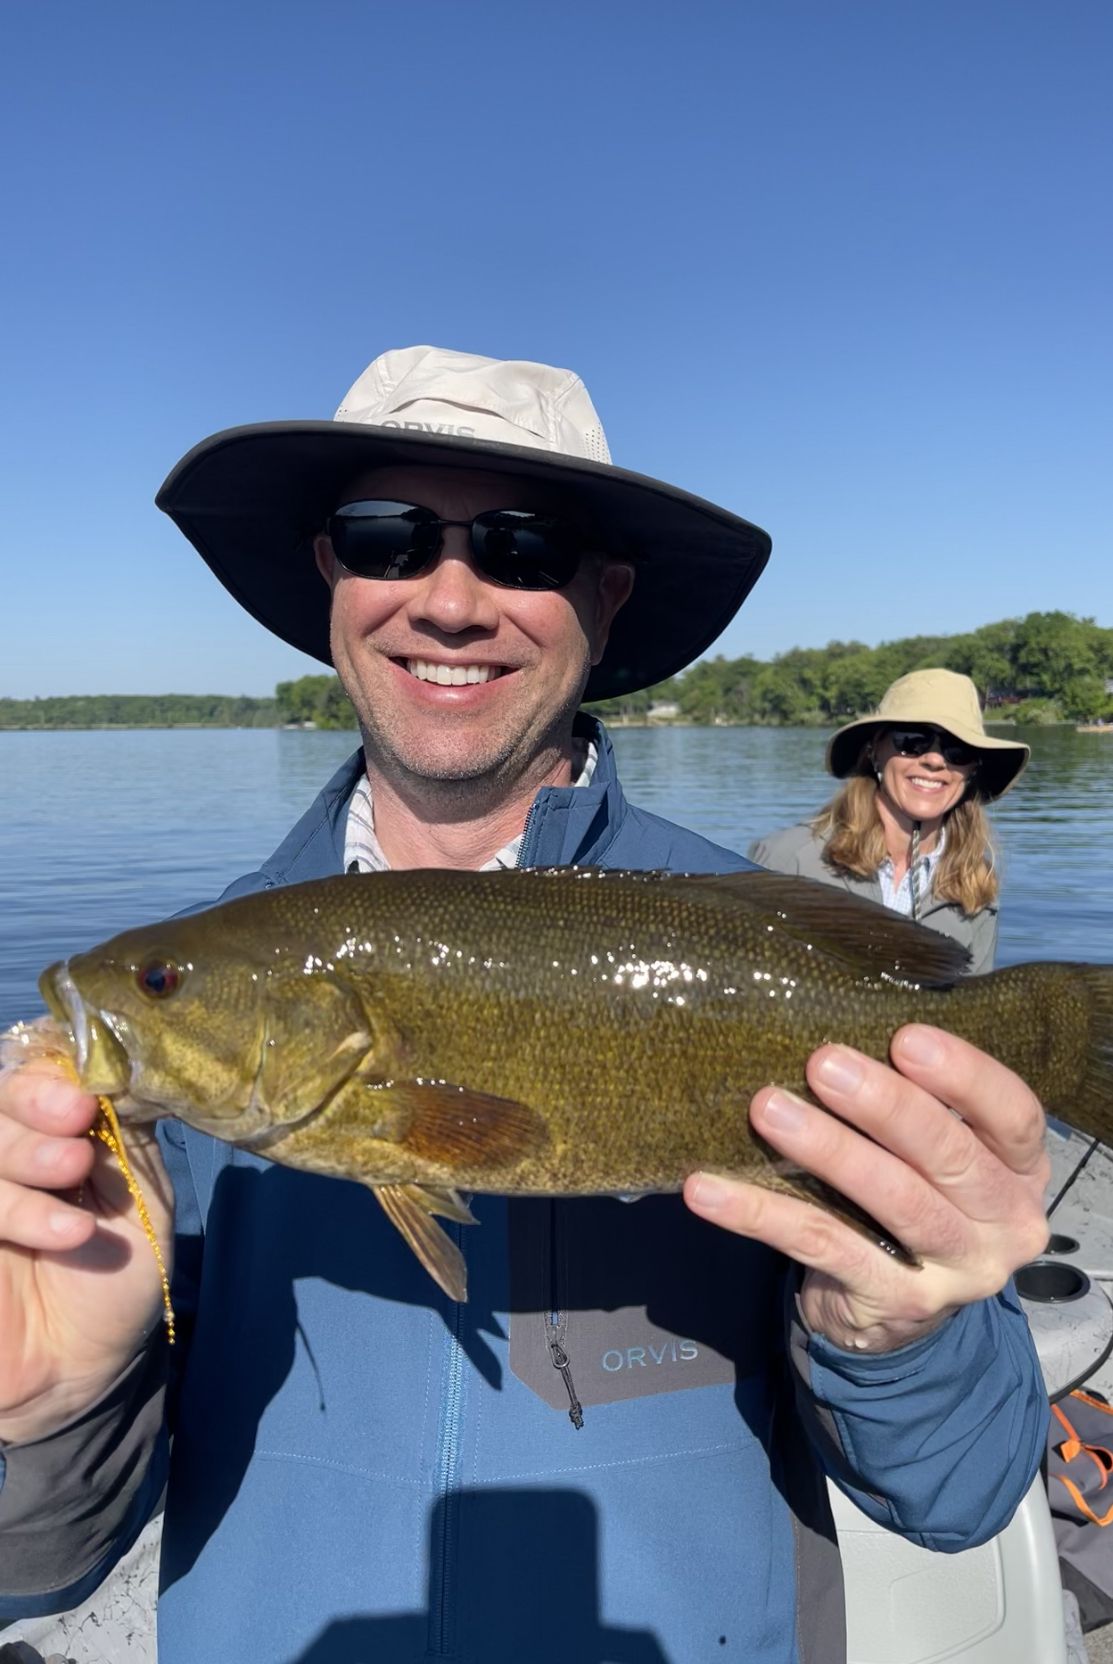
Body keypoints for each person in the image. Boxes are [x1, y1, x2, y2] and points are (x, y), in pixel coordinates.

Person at [0, 348, 1052, 1664]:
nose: (449, 598)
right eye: (388, 539)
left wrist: (906, 1330)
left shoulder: (757, 932)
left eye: (522, 545)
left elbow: (963, 1498)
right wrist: (41, 1412)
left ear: (604, 597)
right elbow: (32, 1563)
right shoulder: (192, 1044)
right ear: (332, 572)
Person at [750, 669, 1029, 974]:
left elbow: (975, 1007)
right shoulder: (789, 859)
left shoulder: (976, 886)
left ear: (971, 770)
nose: (935, 761)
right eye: (912, 740)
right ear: (874, 751)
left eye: (957, 750)